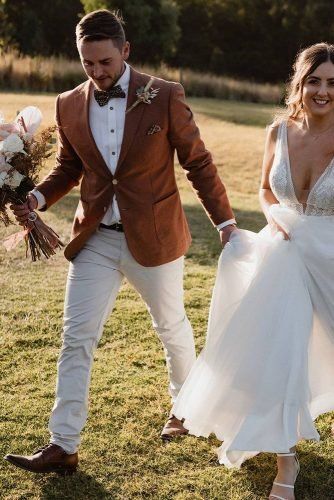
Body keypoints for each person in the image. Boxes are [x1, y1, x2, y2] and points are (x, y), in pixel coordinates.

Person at [4, 9, 236, 475]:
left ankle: (185, 410)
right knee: (76, 339)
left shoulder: (164, 95)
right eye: (88, 63)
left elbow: (198, 162)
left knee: (170, 327)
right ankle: (62, 444)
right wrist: (35, 196)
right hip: (95, 240)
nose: (97, 72)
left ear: (125, 51)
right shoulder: (68, 102)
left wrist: (226, 223)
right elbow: (70, 167)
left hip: (154, 236)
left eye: (105, 62)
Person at [171, 42, 334, 500]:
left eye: (332, 83)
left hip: (330, 255)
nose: (322, 91)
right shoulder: (278, 132)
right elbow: (265, 189)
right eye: (314, 81)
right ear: (299, 85)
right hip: (282, 255)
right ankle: (287, 460)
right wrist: (275, 216)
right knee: (277, 354)